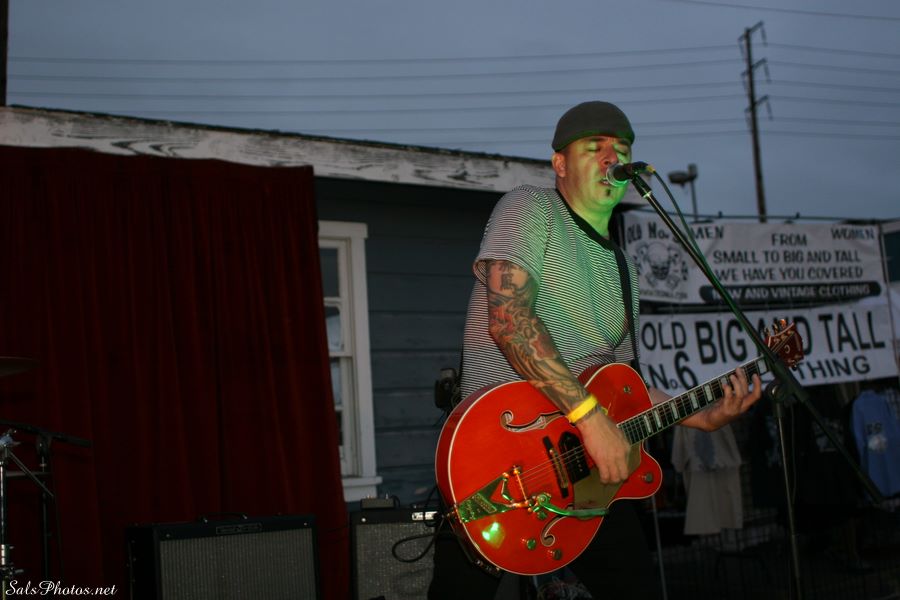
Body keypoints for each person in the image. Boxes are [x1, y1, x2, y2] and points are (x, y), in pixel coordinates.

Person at [428, 101, 762, 600]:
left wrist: (699, 416)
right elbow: (510, 321)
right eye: (594, 147)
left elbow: (620, 385)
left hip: (587, 473)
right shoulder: (529, 208)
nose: (612, 158)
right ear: (560, 163)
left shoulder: (623, 270)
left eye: (621, 149)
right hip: (498, 458)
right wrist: (590, 418)